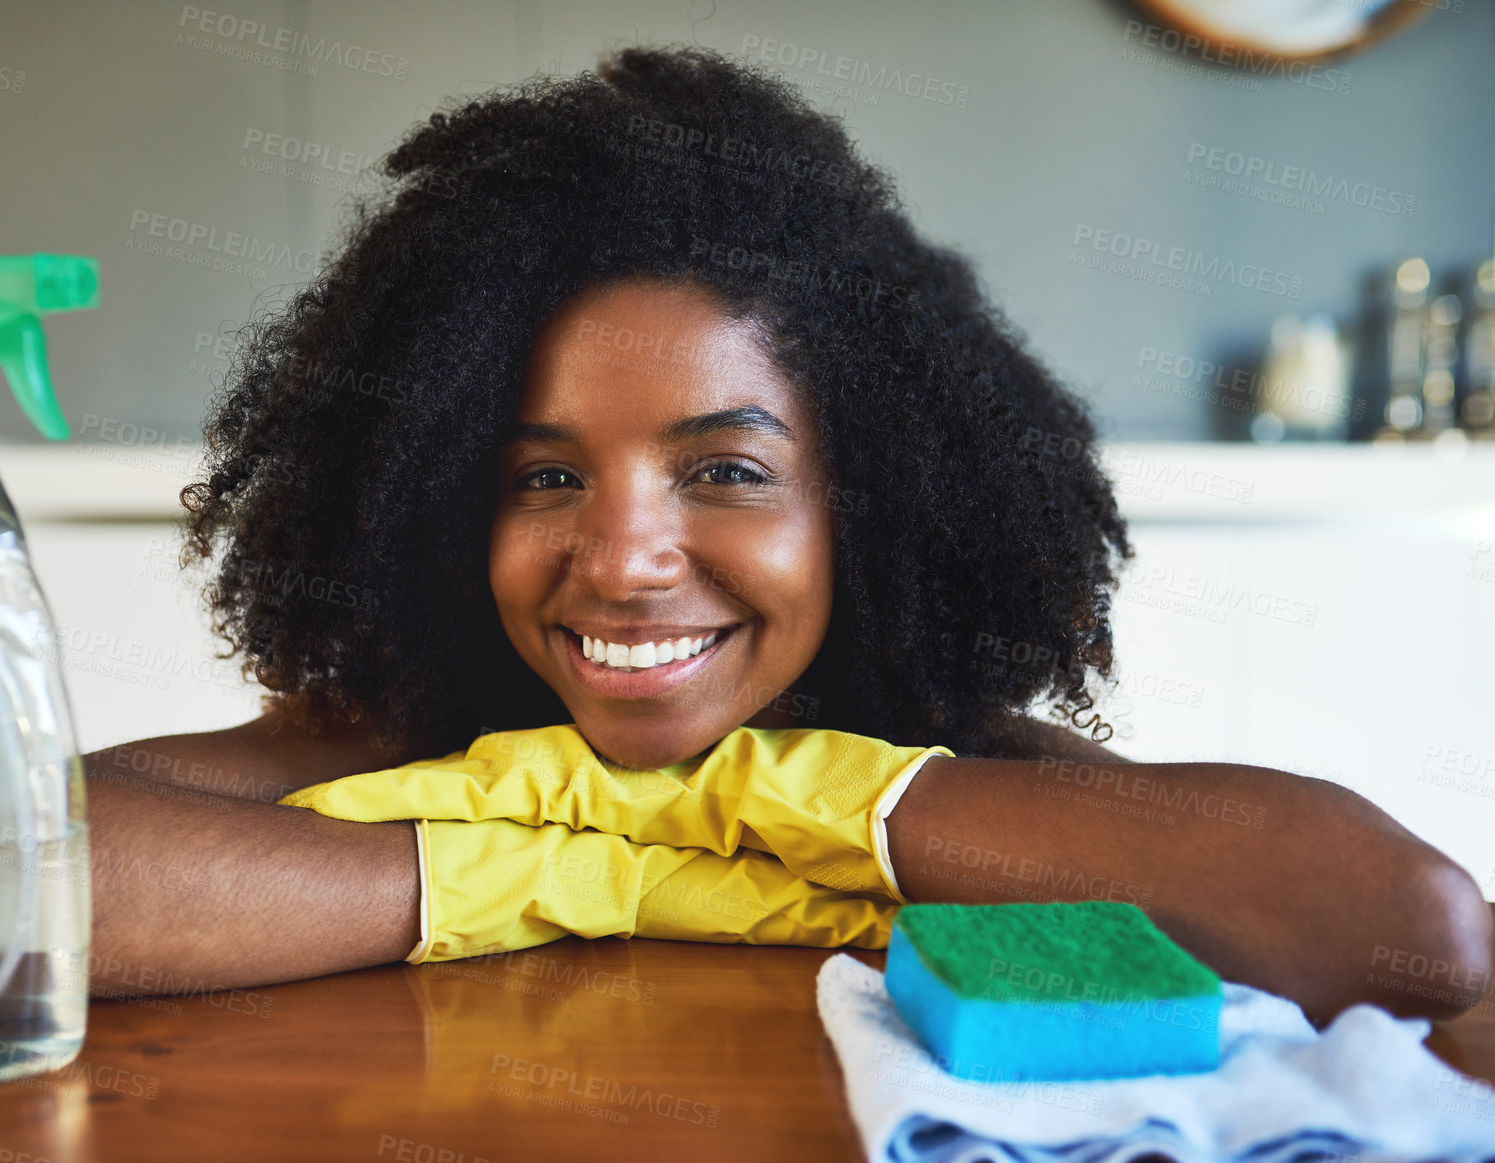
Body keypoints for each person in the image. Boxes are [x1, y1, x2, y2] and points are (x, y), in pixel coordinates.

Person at [82, 46, 1490, 1025]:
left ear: (866, 508)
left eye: (725, 471)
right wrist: (588, 857)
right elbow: (1, 873)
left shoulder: (934, 744)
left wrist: (760, 795)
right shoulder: (413, 733)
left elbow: (1413, 934)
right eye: (544, 480)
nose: (625, 560)